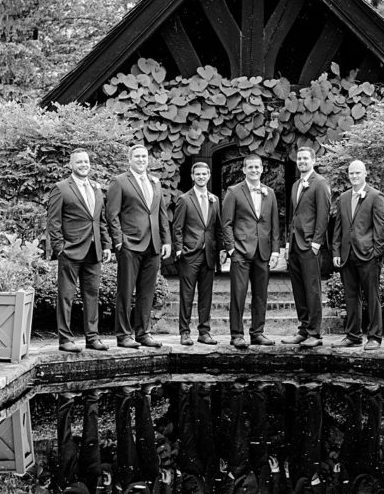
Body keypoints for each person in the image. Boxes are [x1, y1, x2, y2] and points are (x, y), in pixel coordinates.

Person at [106, 144, 171, 349]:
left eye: (144, 156)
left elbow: (161, 213)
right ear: (130, 159)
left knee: (147, 292)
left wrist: (166, 240)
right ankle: (124, 335)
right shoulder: (119, 181)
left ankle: (143, 333)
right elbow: (112, 214)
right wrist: (118, 241)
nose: (142, 160)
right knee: (125, 291)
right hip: (130, 244)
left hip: (153, 244)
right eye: (137, 156)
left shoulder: (155, 182)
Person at [46, 149, 111, 352]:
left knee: (92, 294)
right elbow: (53, 222)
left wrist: (106, 245)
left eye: (86, 161)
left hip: (94, 249)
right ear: (71, 165)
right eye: (79, 162)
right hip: (71, 250)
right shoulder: (61, 188)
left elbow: (100, 220)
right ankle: (65, 339)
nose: (83, 165)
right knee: (66, 295)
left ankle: (92, 337)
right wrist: (60, 248)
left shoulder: (96, 188)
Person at [221, 154, 281, 349]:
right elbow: (226, 223)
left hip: (263, 252)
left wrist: (275, 251)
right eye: (251, 167)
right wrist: (231, 249)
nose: (254, 170)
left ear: (262, 169)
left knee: (260, 295)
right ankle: (236, 335)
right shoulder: (234, 192)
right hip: (240, 252)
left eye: (258, 167)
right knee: (238, 294)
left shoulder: (269, 193)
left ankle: (257, 333)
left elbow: (274, 224)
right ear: (244, 169)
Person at [332, 160, 384, 350]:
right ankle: (353, 335)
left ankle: (374, 337)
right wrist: (336, 251)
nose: (354, 176)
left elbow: (382, 227)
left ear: (365, 174)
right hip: (347, 255)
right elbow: (338, 228)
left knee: (372, 296)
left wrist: (376, 252)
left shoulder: (375, 196)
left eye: (358, 173)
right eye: (351, 173)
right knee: (350, 296)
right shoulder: (343, 198)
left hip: (368, 255)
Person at [282, 147, 331, 348]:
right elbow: (294, 217)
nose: (301, 161)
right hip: (295, 245)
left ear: (313, 160)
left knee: (312, 290)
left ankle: (315, 333)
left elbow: (323, 214)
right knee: (299, 289)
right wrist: (287, 243)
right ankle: (303, 329)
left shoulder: (320, 183)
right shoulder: (295, 185)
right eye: (299, 159)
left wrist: (316, 243)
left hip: (310, 246)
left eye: (305, 158)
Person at [172, 161, 224, 346]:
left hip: (209, 254)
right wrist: (179, 250)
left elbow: (217, 227)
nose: (201, 177)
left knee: (206, 295)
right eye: (198, 174)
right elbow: (177, 227)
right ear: (193, 177)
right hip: (189, 254)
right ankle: (184, 332)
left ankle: (204, 332)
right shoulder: (184, 199)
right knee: (186, 295)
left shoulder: (215, 199)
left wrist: (221, 249)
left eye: (204, 174)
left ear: (209, 176)